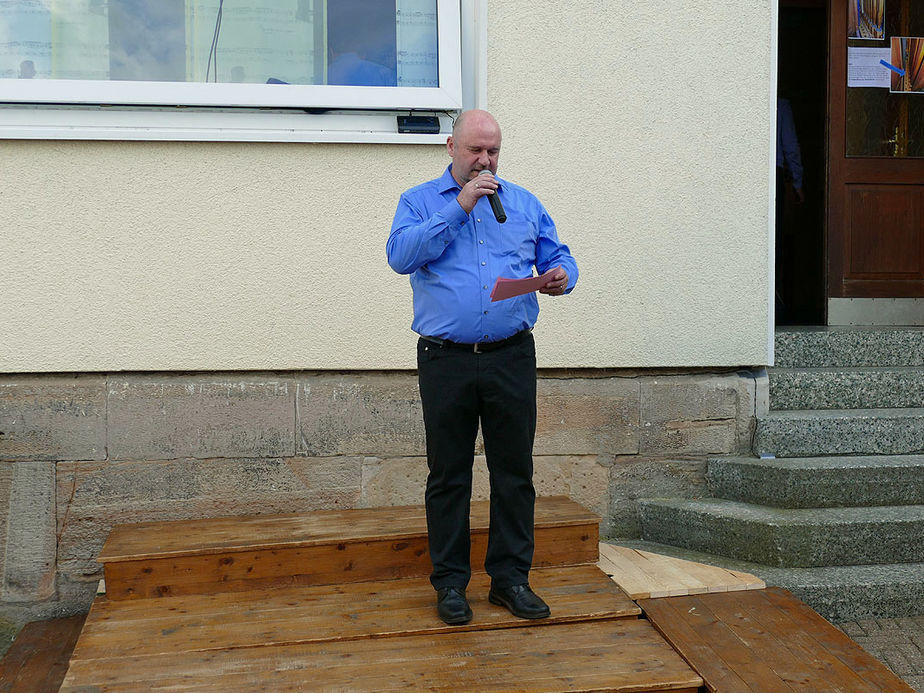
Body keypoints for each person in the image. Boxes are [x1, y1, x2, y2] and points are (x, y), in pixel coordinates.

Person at [387, 110, 578, 625]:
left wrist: (562, 276)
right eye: (475, 150)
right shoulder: (419, 202)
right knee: (449, 474)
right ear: (451, 146)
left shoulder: (524, 203)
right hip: (445, 360)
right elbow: (401, 256)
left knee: (514, 472)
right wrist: (460, 207)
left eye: (493, 151)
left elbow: (557, 254)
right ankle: (450, 585)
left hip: (511, 356)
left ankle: (511, 580)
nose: (485, 160)